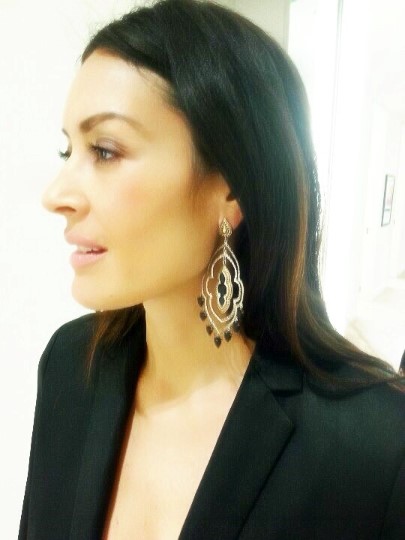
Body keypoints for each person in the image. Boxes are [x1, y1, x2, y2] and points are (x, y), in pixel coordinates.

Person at [19, 1, 405, 538]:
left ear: (230, 186)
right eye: (69, 152)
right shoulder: (70, 366)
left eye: (105, 150)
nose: (57, 195)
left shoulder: (376, 449)